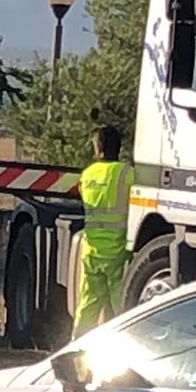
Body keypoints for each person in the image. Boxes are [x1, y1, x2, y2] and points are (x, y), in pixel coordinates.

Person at [72, 124, 135, 335]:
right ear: (118, 147)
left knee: (88, 306)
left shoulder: (87, 175)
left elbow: (82, 193)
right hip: (116, 252)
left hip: (91, 251)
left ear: (97, 148)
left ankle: (76, 350)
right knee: (122, 309)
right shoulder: (127, 173)